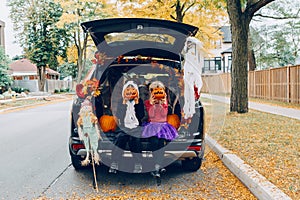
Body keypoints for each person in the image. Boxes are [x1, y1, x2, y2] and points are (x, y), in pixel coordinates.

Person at [142, 81, 178, 178]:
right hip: (152, 125)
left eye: (160, 90)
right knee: (154, 143)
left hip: (162, 126)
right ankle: (155, 165)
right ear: (151, 92)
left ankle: (159, 164)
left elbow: (163, 115)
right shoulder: (147, 103)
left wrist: (162, 103)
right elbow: (151, 115)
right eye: (154, 91)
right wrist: (152, 104)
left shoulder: (165, 103)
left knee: (161, 144)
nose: (158, 93)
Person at [109, 80, 145, 173]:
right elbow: (119, 115)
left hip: (136, 126)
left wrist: (136, 104)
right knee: (120, 138)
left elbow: (141, 115)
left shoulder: (139, 102)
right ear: (124, 92)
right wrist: (124, 104)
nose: (130, 92)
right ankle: (115, 162)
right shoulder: (121, 102)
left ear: (136, 92)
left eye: (133, 90)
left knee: (135, 140)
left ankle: (138, 163)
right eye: (127, 90)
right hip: (124, 126)